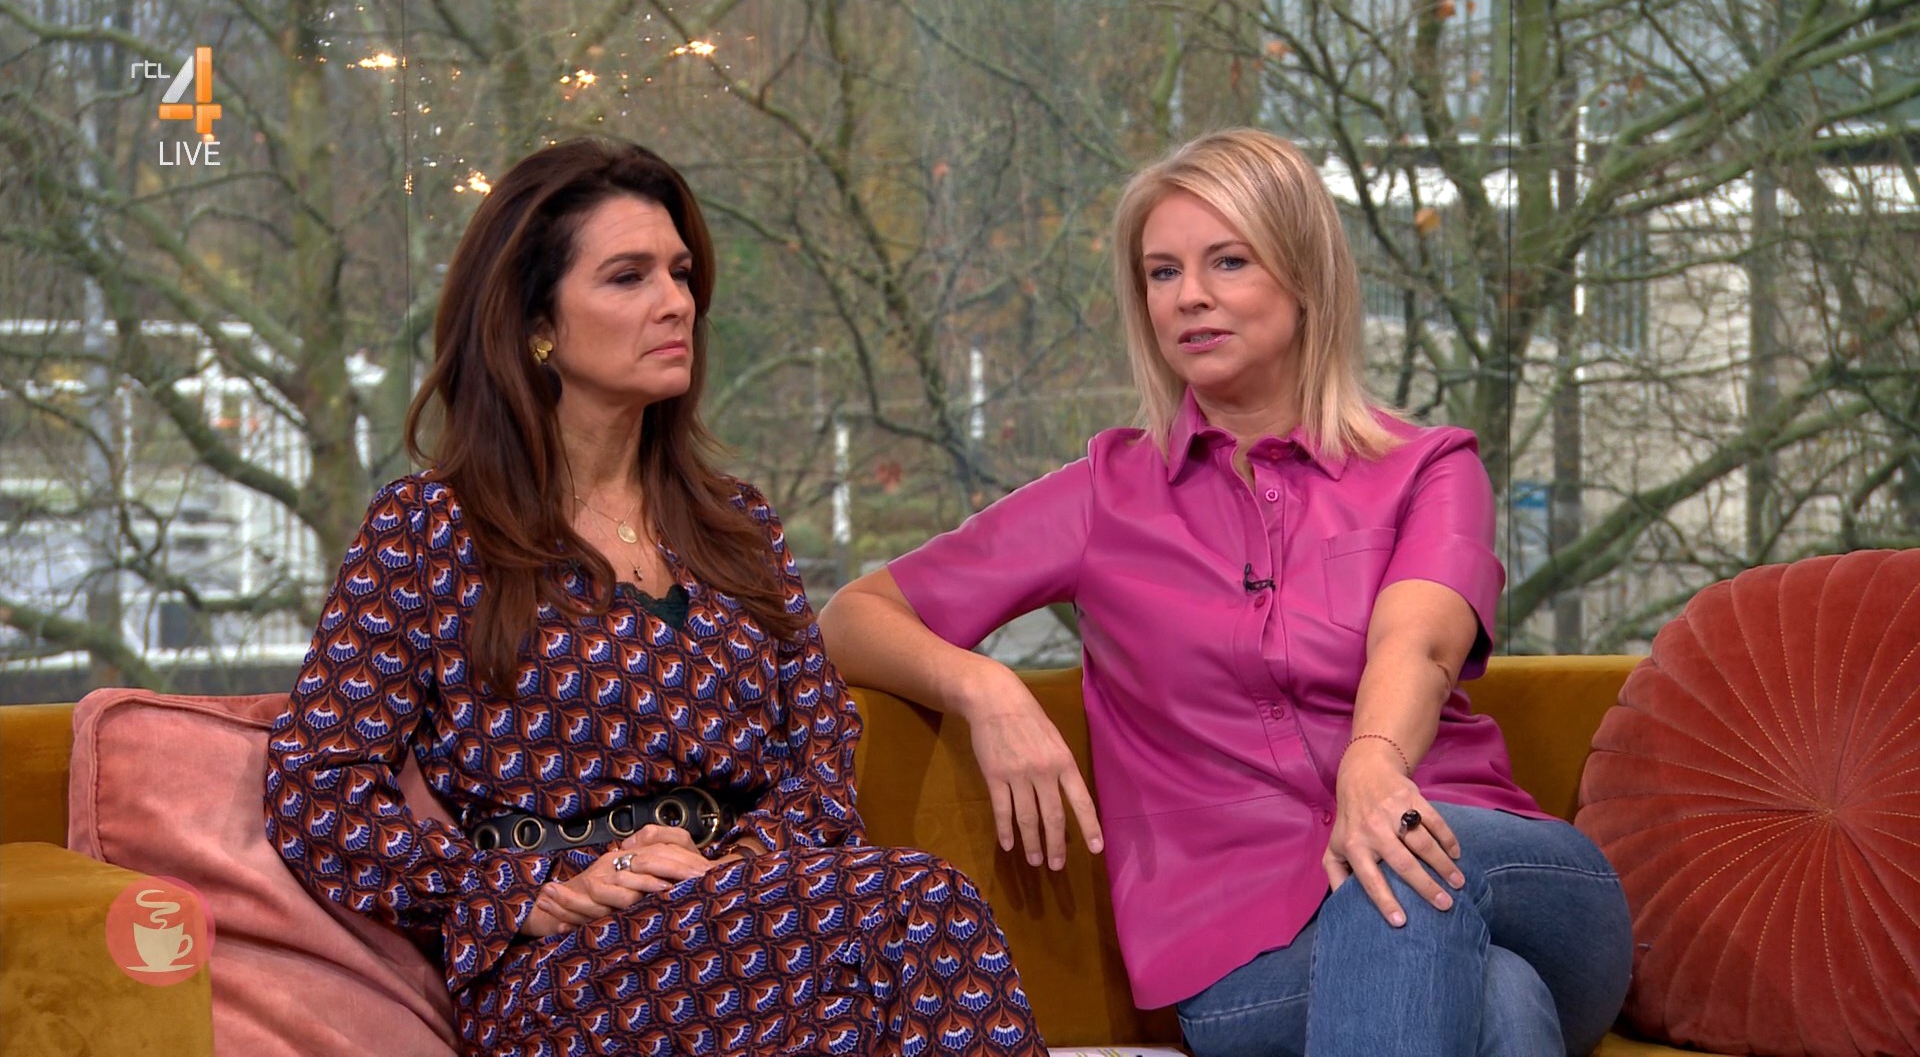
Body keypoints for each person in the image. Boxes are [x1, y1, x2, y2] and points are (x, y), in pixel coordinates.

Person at [817, 128, 1633, 1056]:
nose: (1189, 296)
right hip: (1249, 960)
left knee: (1401, 855)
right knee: (1496, 997)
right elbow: (854, 616)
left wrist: (1373, 768)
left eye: (1228, 261)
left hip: (1500, 867)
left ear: (1303, 276)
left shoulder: (1428, 468)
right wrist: (982, 686)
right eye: (1162, 273)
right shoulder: (1101, 499)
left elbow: (1419, 641)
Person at [264, 137, 1045, 1056]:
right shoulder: (431, 527)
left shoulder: (737, 525)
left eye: (680, 273)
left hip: (765, 919)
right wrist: (525, 893)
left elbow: (822, 753)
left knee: (885, 961)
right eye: (628, 277)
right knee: (921, 907)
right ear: (536, 322)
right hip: (568, 968)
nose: (676, 302)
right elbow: (315, 787)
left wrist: (738, 866)